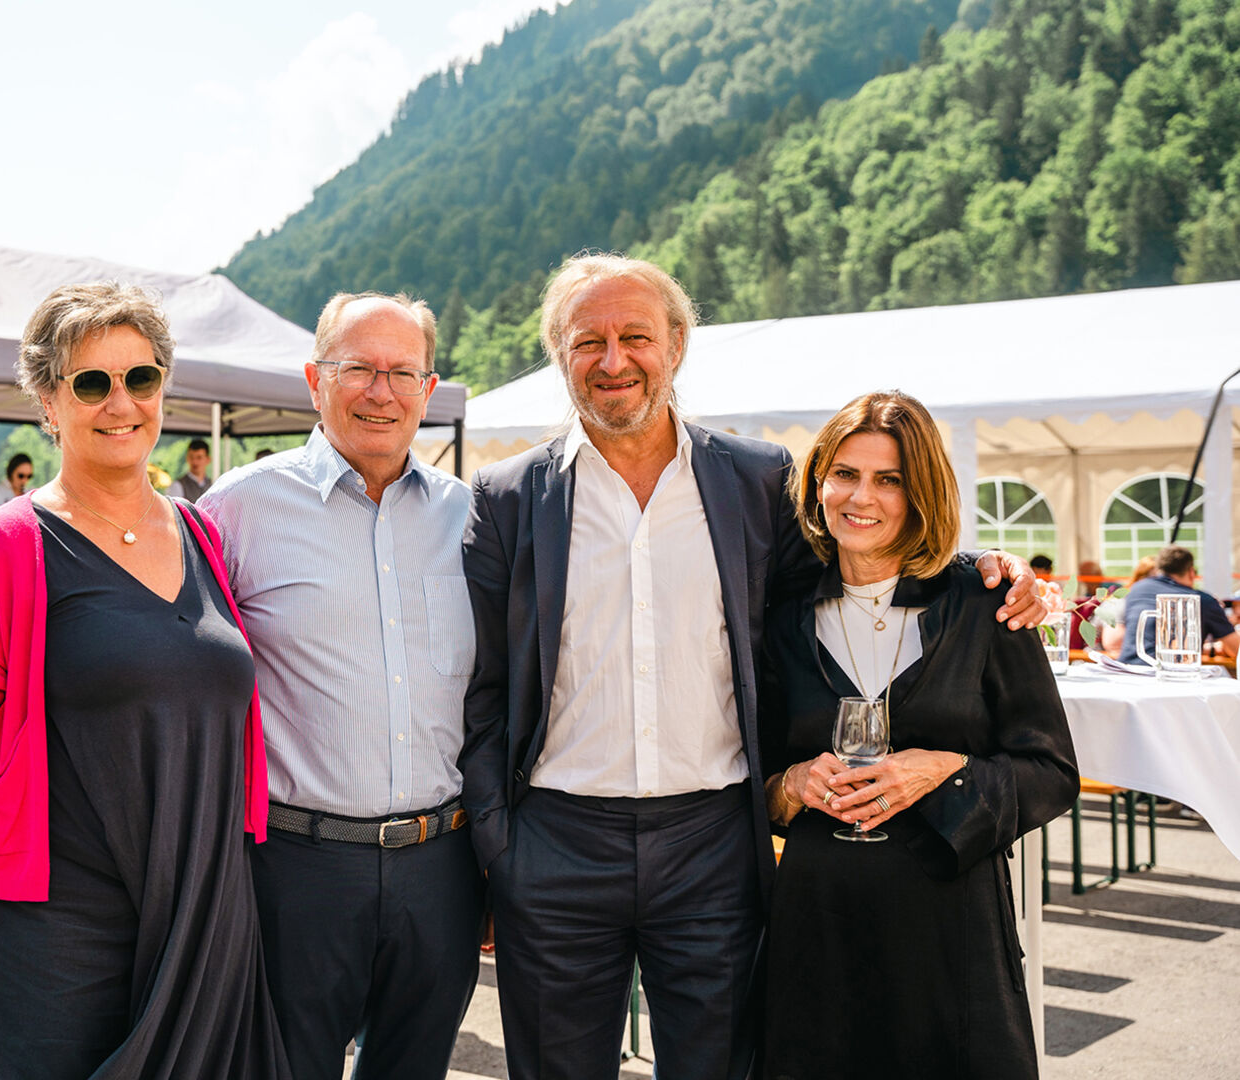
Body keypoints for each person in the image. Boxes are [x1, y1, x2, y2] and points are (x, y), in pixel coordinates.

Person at [460, 254, 1045, 1080]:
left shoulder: (756, 478)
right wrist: (499, 848)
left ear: (677, 343)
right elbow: (481, 690)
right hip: (556, 841)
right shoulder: (506, 495)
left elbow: (860, 556)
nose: (613, 360)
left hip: (711, 841)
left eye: (635, 336)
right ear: (558, 350)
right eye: (586, 340)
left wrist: (987, 568)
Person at [0, 282, 289, 1079]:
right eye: (91, 382)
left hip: (199, 911)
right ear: (48, 401)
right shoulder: (0, 549)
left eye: (140, 378)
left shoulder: (200, 533)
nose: (122, 403)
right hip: (57, 934)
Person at [199, 292, 481, 1080]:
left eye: (401, 373)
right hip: (297, 867)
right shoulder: (237, 508)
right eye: (358, 368)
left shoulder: (472, 518)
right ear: (314, 379)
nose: (379, 391)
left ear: (429, 391)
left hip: (442, 865)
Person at [760, 390, 1078, 1080]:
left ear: (921, 490)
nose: (860, 497)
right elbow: (746, 771)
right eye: (843, 473)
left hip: (949, 919)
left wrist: (946, 770)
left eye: (889, 479)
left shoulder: (982, 602)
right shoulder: (779, 613)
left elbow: (1051, 772)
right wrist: (785, 786)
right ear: (818, 482)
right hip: (817, 918)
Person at [1117, 545, 1238, 665]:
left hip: (1127, 668)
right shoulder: (1200, 600)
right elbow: (1236, 650)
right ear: (1191, 572)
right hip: (1170, 673)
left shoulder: (1137, 588)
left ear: (1160, 569)